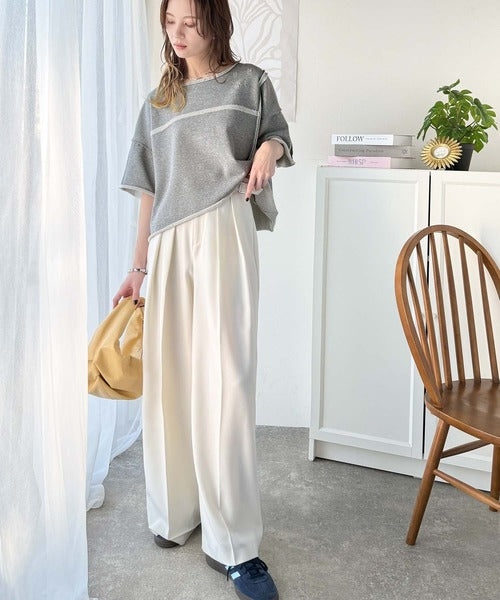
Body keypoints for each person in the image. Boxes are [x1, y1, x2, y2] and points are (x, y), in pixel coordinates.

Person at [113, 0, 294, 598]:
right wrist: (137, 268)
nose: (178, 33)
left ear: (215, 21)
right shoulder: (158, 102)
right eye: (170, 22)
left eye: (190, 22)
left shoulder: (249, 82)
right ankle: (174, 513)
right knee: (169, 376)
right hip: (167, 241)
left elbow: (277, 135)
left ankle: (235, 545)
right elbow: (147, 189)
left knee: (227, 380)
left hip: (224, 226)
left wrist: (268, 149)